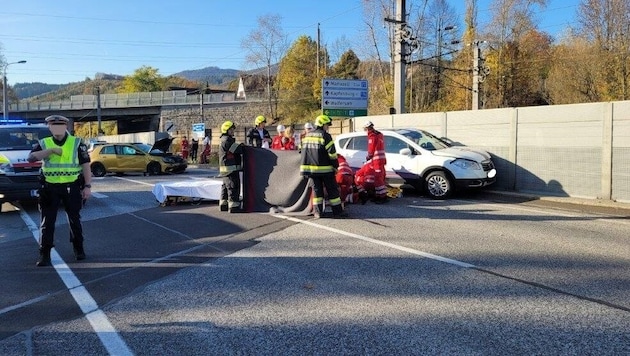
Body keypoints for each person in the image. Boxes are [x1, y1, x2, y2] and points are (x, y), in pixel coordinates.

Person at [28, 115, 92, 267]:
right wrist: (49, 151)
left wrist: (87, 186)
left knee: (75, 219)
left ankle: (79, 249)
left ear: (66, 127)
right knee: (47, 222)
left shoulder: (76, 142)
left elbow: (86, 165)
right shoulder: (44, 143)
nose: (57, 128)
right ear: (49, 127)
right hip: (50, 188)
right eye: (53, 125)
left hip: (72, 187)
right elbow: (31, 158)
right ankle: (45, 254)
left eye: (60, 125)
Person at [300, 114, 347, 219]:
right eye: (327, 125)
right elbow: (332, 154)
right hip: (325, 170)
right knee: (332, 190)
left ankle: (318, 212)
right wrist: (335, 166)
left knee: (317, 191)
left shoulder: (307, 136)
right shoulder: (325, 136)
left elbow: (301, 151)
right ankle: (338, 212)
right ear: (322, 124)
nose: (328, 127)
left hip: (311, 171)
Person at [219, 121, 244, 213]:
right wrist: (242, 147)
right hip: (230, 170)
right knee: (233, 187)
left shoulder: (224, 139)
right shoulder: (227, 141)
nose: (233, 131)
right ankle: (234, 207)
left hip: (226, 170)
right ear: (227, 130)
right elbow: (238, 150)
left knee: (226, 188)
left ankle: (224, 205)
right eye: (231, 129)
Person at [364, 120, 388, 203]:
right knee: (381, 177)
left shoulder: (372, 136)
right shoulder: (379, 135)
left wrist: (369, 156)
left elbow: (371, 149)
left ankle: (382, 197)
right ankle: (379, 195)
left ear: (368, 128)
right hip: (381, 159)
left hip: (377, 160)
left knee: (378, 178)